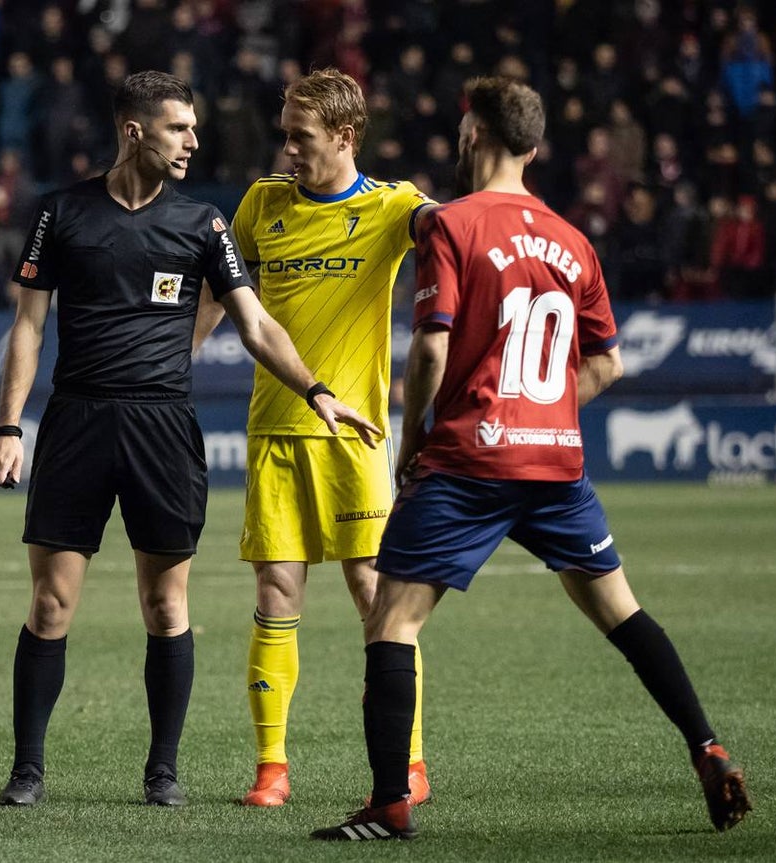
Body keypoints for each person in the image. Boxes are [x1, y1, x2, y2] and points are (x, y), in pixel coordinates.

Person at [311, 76, 752, 841]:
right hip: (555, 466)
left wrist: (413, 439)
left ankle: (389, 804)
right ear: (535, 147)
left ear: (472, 134)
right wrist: (543, 414)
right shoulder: (573, 238)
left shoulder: (450, 226)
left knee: (393, 620)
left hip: (466, 463)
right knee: (622, 612)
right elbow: (607, 363)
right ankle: (706, 745)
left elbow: (433, 344)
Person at [0, 70, 380, 810]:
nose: (196, 140)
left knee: (167, 608)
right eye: (179, 128)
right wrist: (10, 425)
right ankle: (27, 770)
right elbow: (29, 326)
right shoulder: (60, 214)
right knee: (50, 604)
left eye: (194, 127)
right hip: (76, 423)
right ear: (134, 130)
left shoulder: (204, 224)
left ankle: (161, 770)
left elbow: (256, 323)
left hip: (163, 428)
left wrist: (316, 389)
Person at [213, 68, 435, 807]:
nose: (287, 151)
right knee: (276, 589)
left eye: (300, 138)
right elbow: (225, 291)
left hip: (357, 436)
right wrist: (170, 360)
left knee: (377, 592)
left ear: (344, 137)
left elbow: (455, 229)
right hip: (276, 428)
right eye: (284, 136)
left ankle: (406, 761)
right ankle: (271, 768)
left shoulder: (392, 205)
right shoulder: (260, 204)